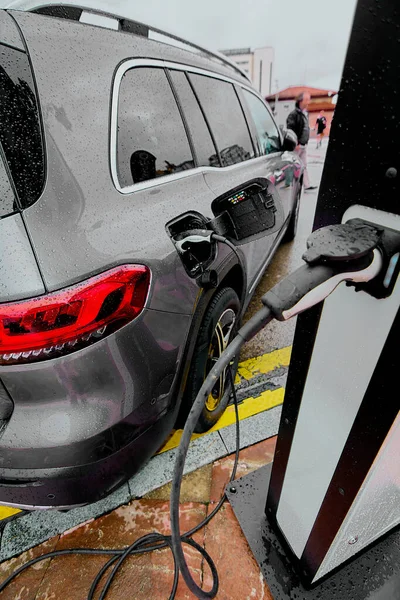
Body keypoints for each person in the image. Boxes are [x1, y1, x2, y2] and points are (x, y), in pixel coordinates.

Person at [286, 92, 317, 191]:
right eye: (307, 99)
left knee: (304, 165)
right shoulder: (294, 114)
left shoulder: (305, 113)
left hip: (303, 145)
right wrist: (295, 143)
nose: (309, 102)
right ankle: (288, 183)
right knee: (292, 165)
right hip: (297, 145)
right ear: (300, 101)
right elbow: (290, 129)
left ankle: (306, 185)